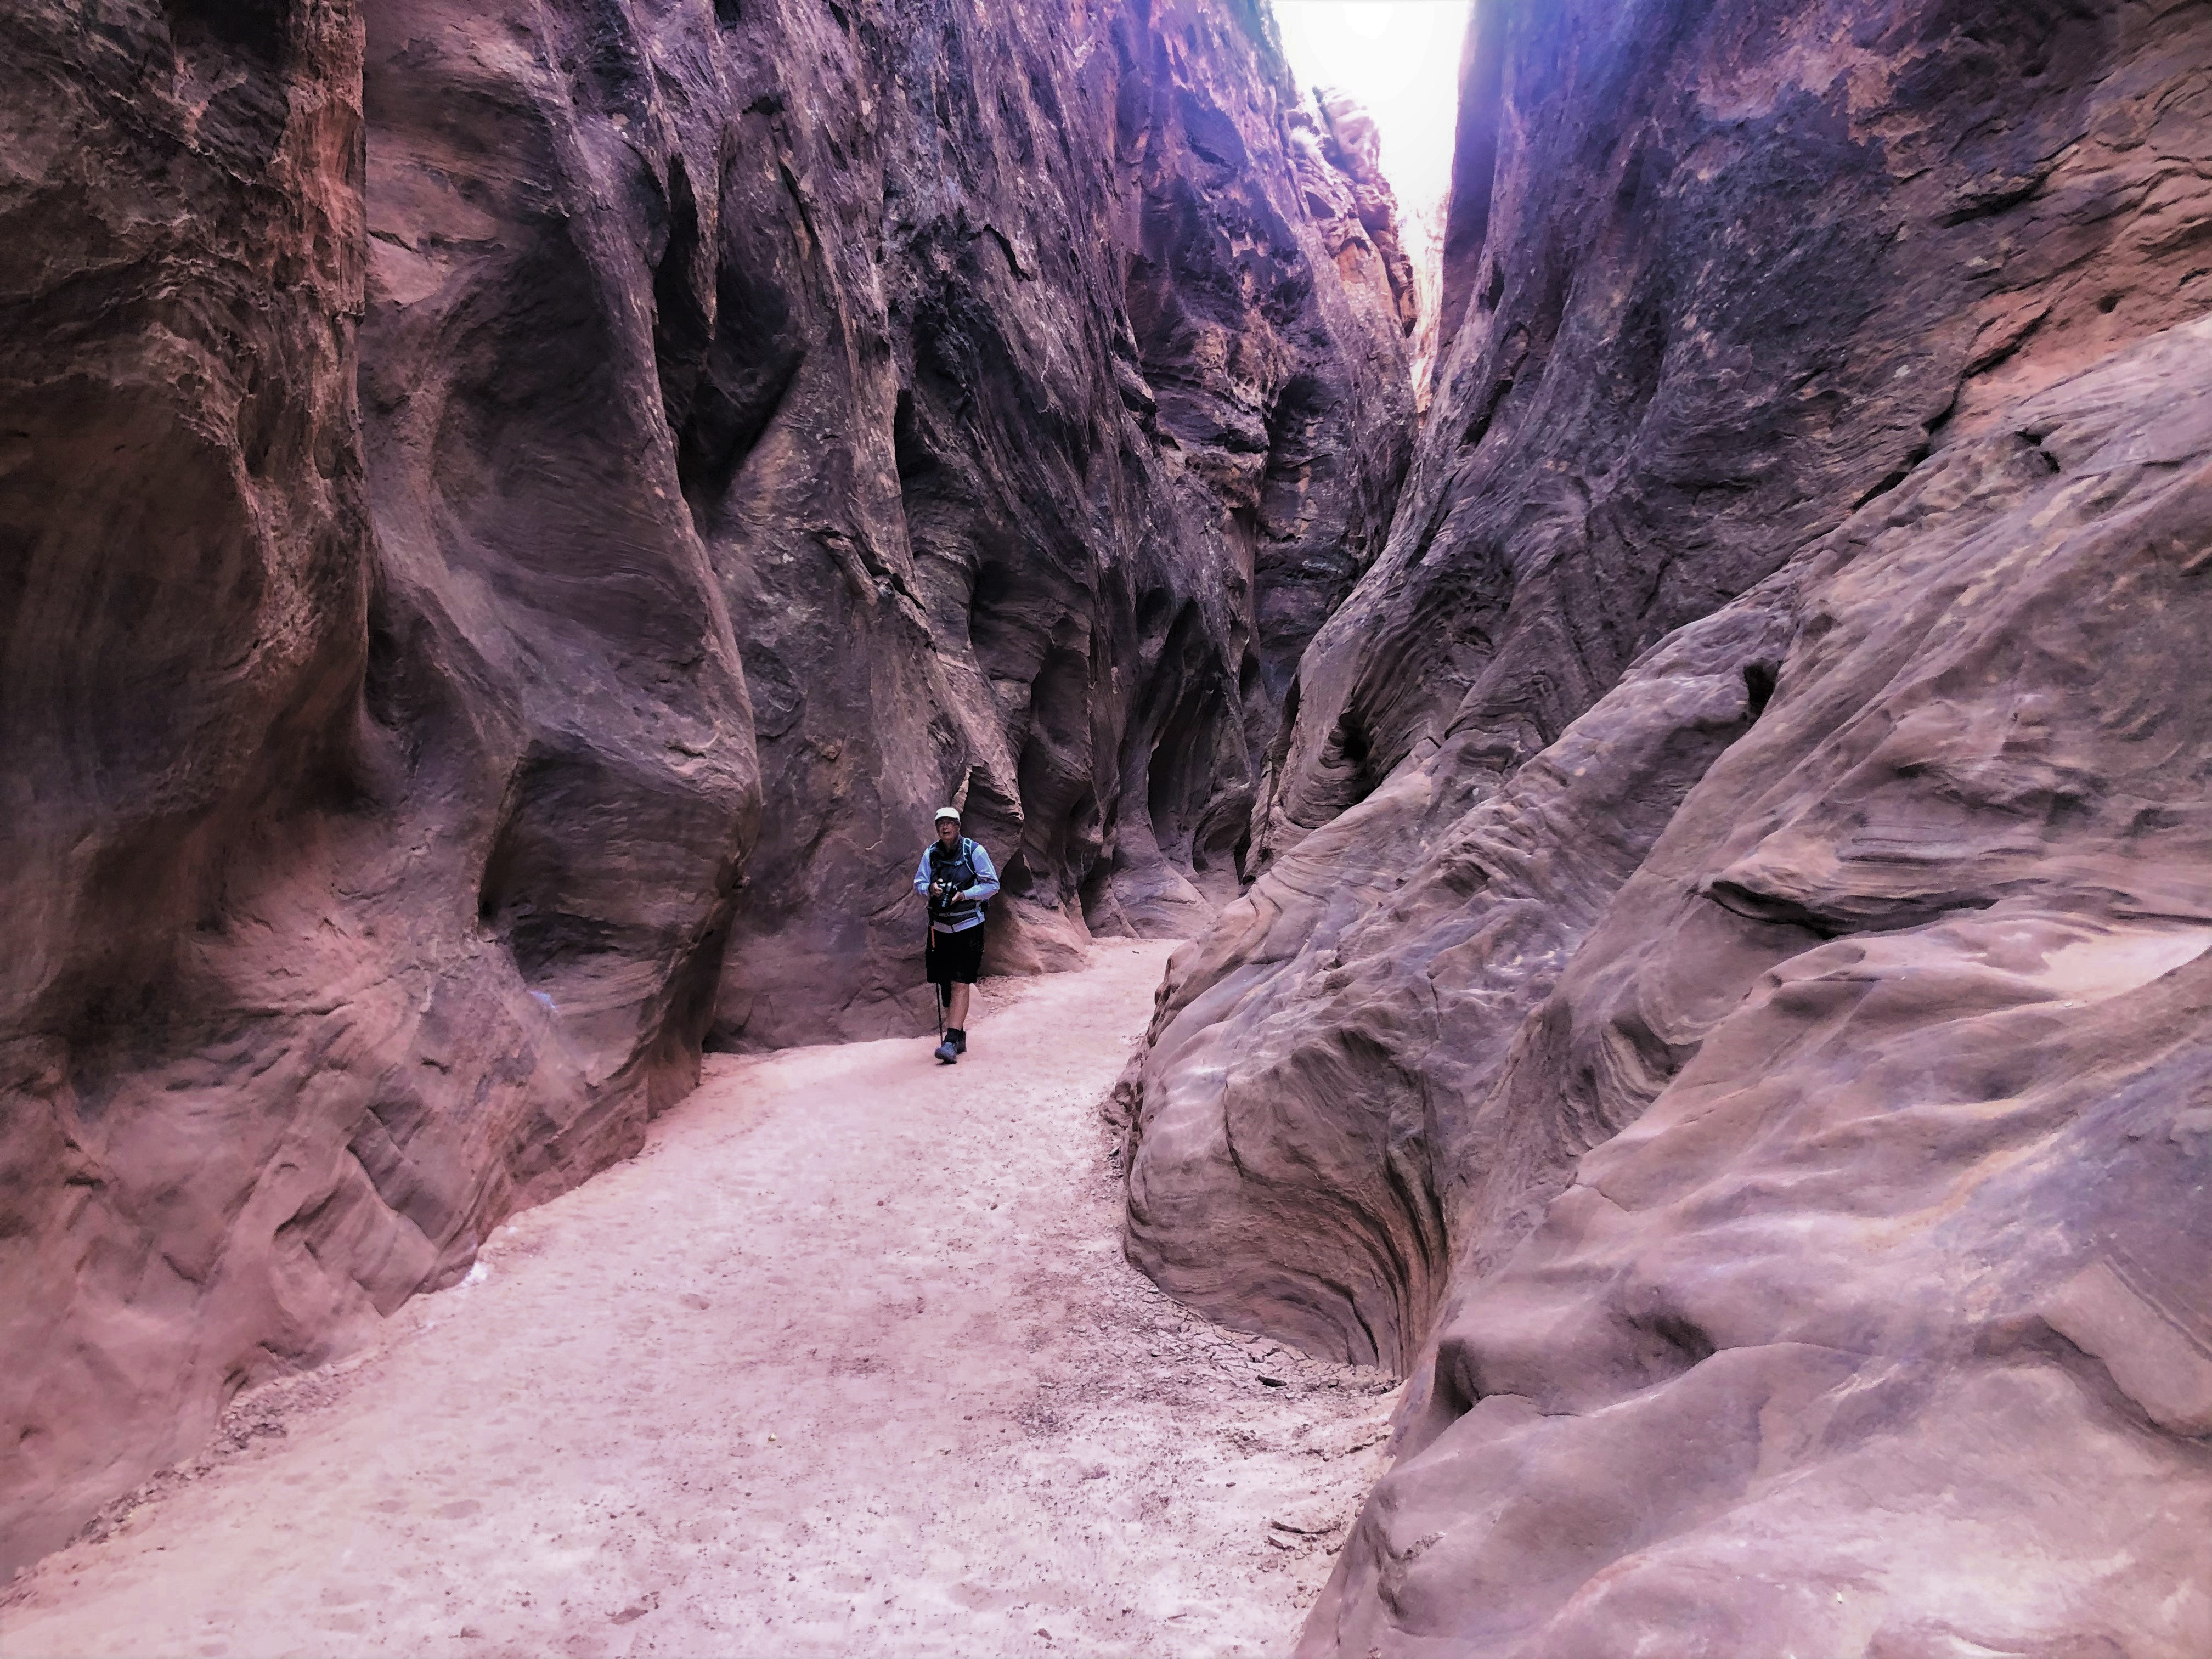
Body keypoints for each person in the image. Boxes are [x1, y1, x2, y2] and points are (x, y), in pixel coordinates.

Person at [913, 806, 999, 1064]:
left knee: (961, 981)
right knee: (945, 984)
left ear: (959, 826)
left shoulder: (975, 851)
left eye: (951, 823)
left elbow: (992, 885)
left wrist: (965, 895)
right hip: (939, 929)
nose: (945, 827)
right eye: (941, 823)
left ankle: (950, 1042)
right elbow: (918, 884)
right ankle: (958, 1033)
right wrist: (931, 888)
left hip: (969, 926)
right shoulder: (931, 853)